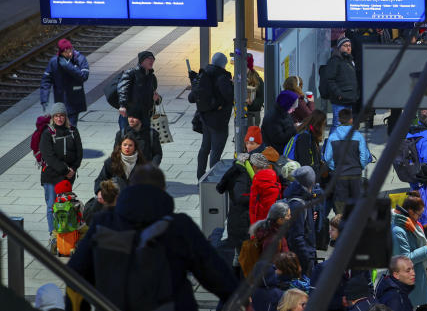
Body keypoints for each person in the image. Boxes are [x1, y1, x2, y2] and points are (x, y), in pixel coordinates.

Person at [68, 165, 238, 310]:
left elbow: (75, 275)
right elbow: (216, 273)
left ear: (129, 188)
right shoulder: (179, 227)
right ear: (162, 190)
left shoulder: (103, 224)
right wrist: (239, 297)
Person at [189, 52, 234, 180]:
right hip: (219, 121)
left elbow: (192, 97)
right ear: (223, 64)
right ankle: (212, 180)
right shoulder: (222, 77)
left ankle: (201, 177)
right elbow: (229, 96)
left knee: (205, 148)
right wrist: (233, 85)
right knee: (216, 151)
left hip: (205, 119)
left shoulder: (203, 74)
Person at [39, 103, 82, 236]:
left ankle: (65, 232)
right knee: (52, 206)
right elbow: (49, 157)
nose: (59, 118)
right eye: (57, 116)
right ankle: (53, 233)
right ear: (53, 117)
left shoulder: (73, 131)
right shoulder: (47, 133)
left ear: (66, 117)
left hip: (67, 177)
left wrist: (73, 169)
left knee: (66, 206)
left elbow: (79, 153)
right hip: (51, 176)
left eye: (62, 115)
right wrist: (66, 170)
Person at [391, 192, 427, 308]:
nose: (420, 218)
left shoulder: (410, 224)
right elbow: (405, 259)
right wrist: (426, 249)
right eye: (419, 215)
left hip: (417, 277)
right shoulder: (398, 230)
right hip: (410, 282)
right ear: (410, 211)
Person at [324, 108, 372, 212]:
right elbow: (364, 156)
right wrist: (360, 166)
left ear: (339, 120)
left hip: (339, 175)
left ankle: (341, 224)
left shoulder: (332, 137)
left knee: (340, 205)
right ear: (351, 120)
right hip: (355, 173)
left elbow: (327, 158)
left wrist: (335, 167)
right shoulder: (358, 136)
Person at [39, 39, 89, 126]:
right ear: (61, 53)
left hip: (74, 100)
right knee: (60, 127)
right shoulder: (54, 62)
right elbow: (46, 80)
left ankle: (71, 138)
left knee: (71, 127)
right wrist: (44, 98)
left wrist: (68, 66)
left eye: (70, 50)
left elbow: (84, 76)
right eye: (66, 52)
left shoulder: (80, 58)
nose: (69, 54)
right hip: (60, 100)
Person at [284, 166, 320, 275]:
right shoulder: (298, 204)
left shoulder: (304, 197)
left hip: (307, 252)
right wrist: (307, 258)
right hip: (302, 257)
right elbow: (296, 237)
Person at [117, 50, 159, 132]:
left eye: (153, 59)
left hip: (145, 115)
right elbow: (122, 90)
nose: (152, 61)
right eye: (149, 58)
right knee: (127, 138)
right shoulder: (131, 73)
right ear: (142, 60)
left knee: (144, 140)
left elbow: (155, 94)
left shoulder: (152, 77)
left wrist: (157, 99)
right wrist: (122, 105)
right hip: (130, 114)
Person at [324, 36, 359, 130]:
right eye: (345, 45)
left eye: (350, 46)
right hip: (340, 100)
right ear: (339, 47)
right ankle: (331, 144)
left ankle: (342, 144)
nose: (348, 48)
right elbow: (330, 79)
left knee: (346, 126)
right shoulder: (335, 60)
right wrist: (338, 94)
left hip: (349, 98)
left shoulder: (350, 60)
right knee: (337, 125)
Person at [249, 152, 282, 224]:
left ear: (254, 167)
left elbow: (253, 209)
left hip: (261, 224)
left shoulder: (257, 181)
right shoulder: (274, 177)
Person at [247, 54, 265, 127]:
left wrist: (252, 103)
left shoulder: (258, 80)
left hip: (253, 114)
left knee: (252, 136)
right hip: (241, 113)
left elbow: (261, 98)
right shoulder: (238, 77)